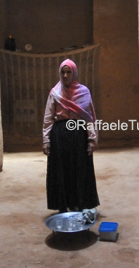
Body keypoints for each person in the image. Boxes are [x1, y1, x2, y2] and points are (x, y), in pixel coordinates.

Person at [43, 59, 100, 214]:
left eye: (69, 72)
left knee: (80, 168)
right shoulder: (55, 93)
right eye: (63, 72)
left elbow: (89, 118)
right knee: (62, 169)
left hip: (79, 135)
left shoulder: (84, 92)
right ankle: (63, 204)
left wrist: (91, 139)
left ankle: (80, 203)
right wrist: (46, 140)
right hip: (59, 135)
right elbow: (48, 118)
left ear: (74, 73)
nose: (66, 75)